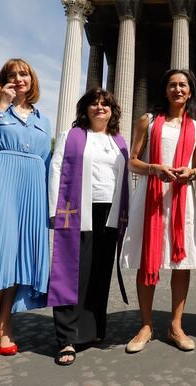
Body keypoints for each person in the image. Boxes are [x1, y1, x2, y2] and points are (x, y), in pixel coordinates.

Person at [0, 58, 52, 360]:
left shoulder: (43, 118)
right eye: (11, 75)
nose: (18, 79)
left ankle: (6, 323)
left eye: (23, 74)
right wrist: (2, 104)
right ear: (2, 82)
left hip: (31, 189)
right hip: (1, 181)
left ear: (32, 80)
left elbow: (47, 161)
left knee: (19, 257)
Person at [120, 69, 196, 353]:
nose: (178, 89)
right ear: (165, 90)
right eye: (172, 85)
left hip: (181, 199)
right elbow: (132, 161)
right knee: (149, 259)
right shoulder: (148, 121)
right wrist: (153, 168)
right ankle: (146, 325)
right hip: (151, 198)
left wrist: (190, 172)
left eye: (183, 85)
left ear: (190, 91)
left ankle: (176, 325)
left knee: (181, 263)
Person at [47, 88, 130, 366]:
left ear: (112, 111)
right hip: (77, 209)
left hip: (110, 212)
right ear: (85, 109)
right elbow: (56, 168)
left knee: (99, 272)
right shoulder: (71, 137)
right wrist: (53, 210)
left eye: (105, 104)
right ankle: (67, 337)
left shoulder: (118, 141)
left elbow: (126, 177)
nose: (99, 108)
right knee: (73, 272)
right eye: (94, 104)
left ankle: (93, 329)